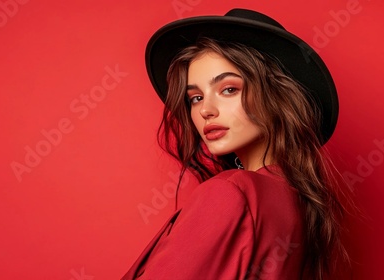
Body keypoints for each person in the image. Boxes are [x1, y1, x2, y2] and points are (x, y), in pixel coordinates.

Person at [122, 8, 353, 280]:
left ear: (277, 97)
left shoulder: (231, 193)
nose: (206, 110)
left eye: (229, 89)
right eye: (195, 97)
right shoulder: (299, 203)